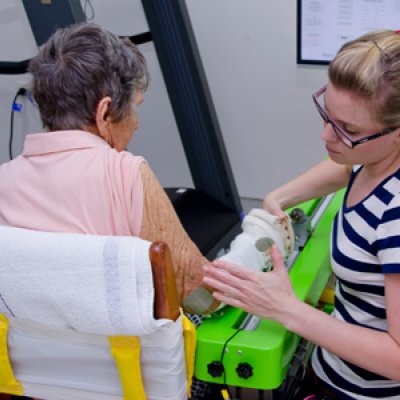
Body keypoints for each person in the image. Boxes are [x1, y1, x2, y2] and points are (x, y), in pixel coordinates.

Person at [0, 22, 221, 399]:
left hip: (40, 386)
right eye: (134, 110)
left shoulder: (3, 180)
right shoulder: (126, 173)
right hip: (130, 384)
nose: (135, 126)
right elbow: (194, 289)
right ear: (104, 113)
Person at [203, 29, 400, 400]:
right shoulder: (370, 158)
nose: (326, 136)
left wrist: (286, 310)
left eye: (349, 129)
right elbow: (348, 169)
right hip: (331, 369)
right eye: (327, 114)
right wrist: (282, 195)